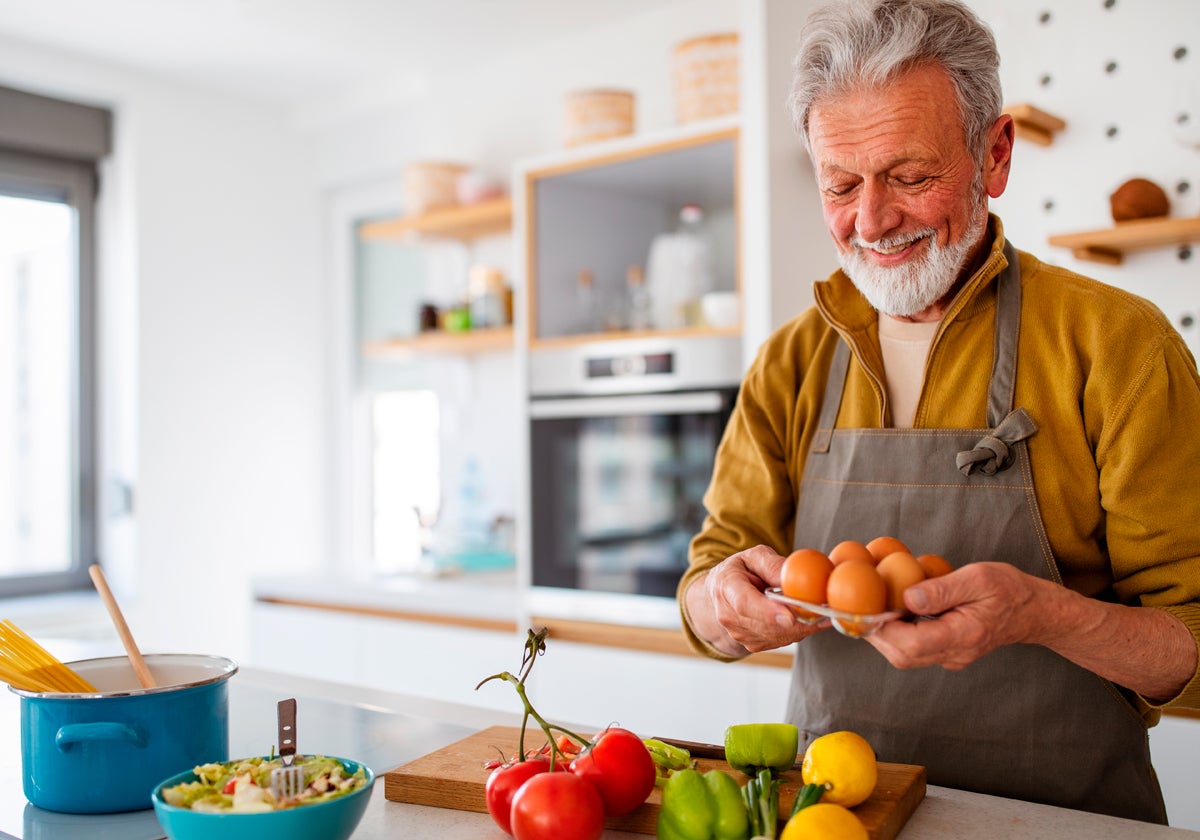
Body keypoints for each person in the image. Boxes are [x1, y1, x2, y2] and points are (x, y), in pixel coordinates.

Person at [678, 0, 1200, 824]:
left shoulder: (1118, 346)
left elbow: (1193, 645)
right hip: (834, 816)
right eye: (840, 185)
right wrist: (722, 605)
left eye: (911, 177)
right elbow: (708, 581)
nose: (872, 221)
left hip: (1063, 822)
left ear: (994, 155)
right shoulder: (790, 362)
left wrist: (1039, 614)